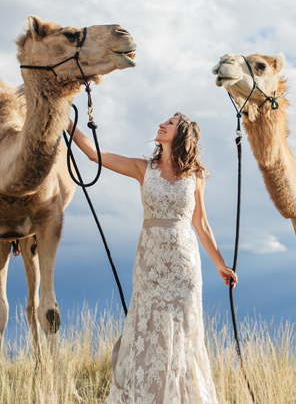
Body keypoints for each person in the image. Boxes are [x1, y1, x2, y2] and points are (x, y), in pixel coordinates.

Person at [68, 112, 237, 404]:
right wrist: (67, 121)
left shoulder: (196, 175)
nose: (162, 124)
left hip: (185, 265)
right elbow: (95, 154)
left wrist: (220, 264)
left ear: (182, 133)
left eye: (170, 123)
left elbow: (201, 223)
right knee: (149, 330)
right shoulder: (142, 168)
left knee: (183, 332)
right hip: (150, 263)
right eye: (164, 121)